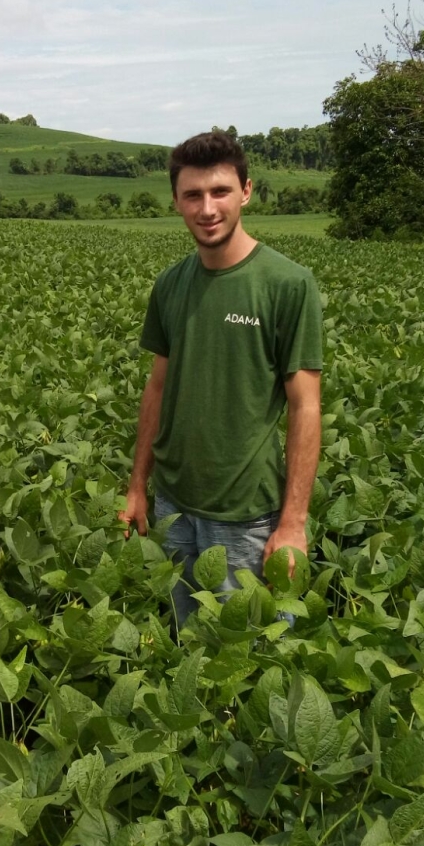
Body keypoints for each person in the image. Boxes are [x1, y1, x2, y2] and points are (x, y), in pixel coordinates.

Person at [119, 130, 323, 628]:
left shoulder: (287, 284)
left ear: (246, 192)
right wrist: (137, 486)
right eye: (193, 195)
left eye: (220, 192)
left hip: (245, 513)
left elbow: (306, 406)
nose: (207, 208)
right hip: (173, 504)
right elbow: (159, 390)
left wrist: (293, 522)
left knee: (249, 653)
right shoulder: (170, 285)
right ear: (176, 202)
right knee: (185, 641)